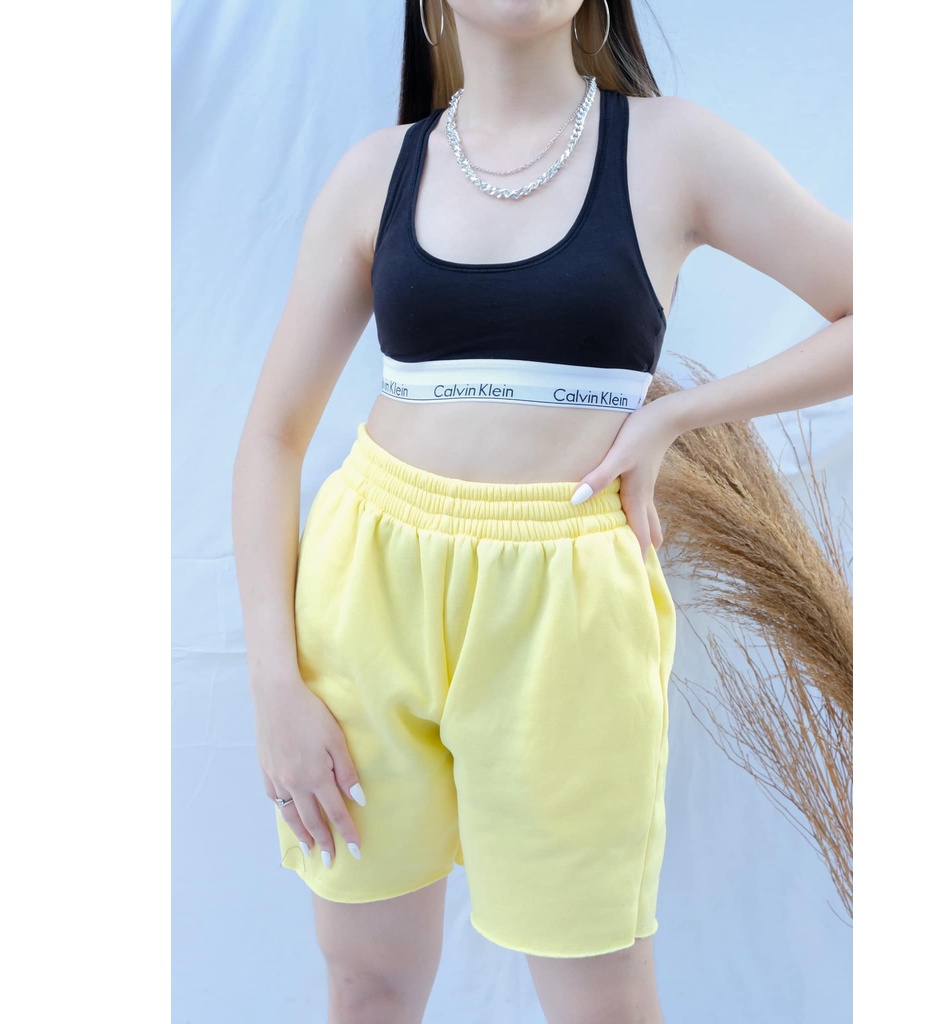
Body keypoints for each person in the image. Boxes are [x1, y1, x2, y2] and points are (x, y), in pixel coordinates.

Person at [230, 1, 853, 1021]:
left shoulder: (672, 149)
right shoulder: (375, 173)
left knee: (599, 997)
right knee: (367, 981)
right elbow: (269, 438)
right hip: (366, 590)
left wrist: (678, 415)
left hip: (568, 608)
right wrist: (273, 685)